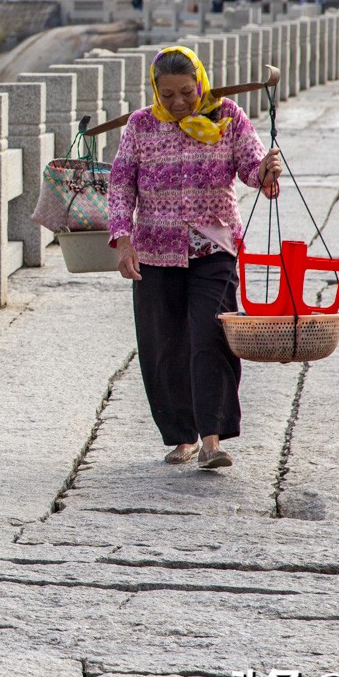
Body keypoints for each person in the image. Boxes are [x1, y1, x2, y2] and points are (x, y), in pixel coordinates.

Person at [107, 46, 283, 471]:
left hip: (213, 247)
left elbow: (250, 166)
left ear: (200, 83)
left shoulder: (227, 117)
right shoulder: (141, 126)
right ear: (155, 91)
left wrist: (266, 173)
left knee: (211, 338)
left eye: (186, 91)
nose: (179, 102)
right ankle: (181, 436)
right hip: (154, 250)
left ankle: (211, 440)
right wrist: (123, 240)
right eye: (167, 95)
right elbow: (120, 184)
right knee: (164, 346)